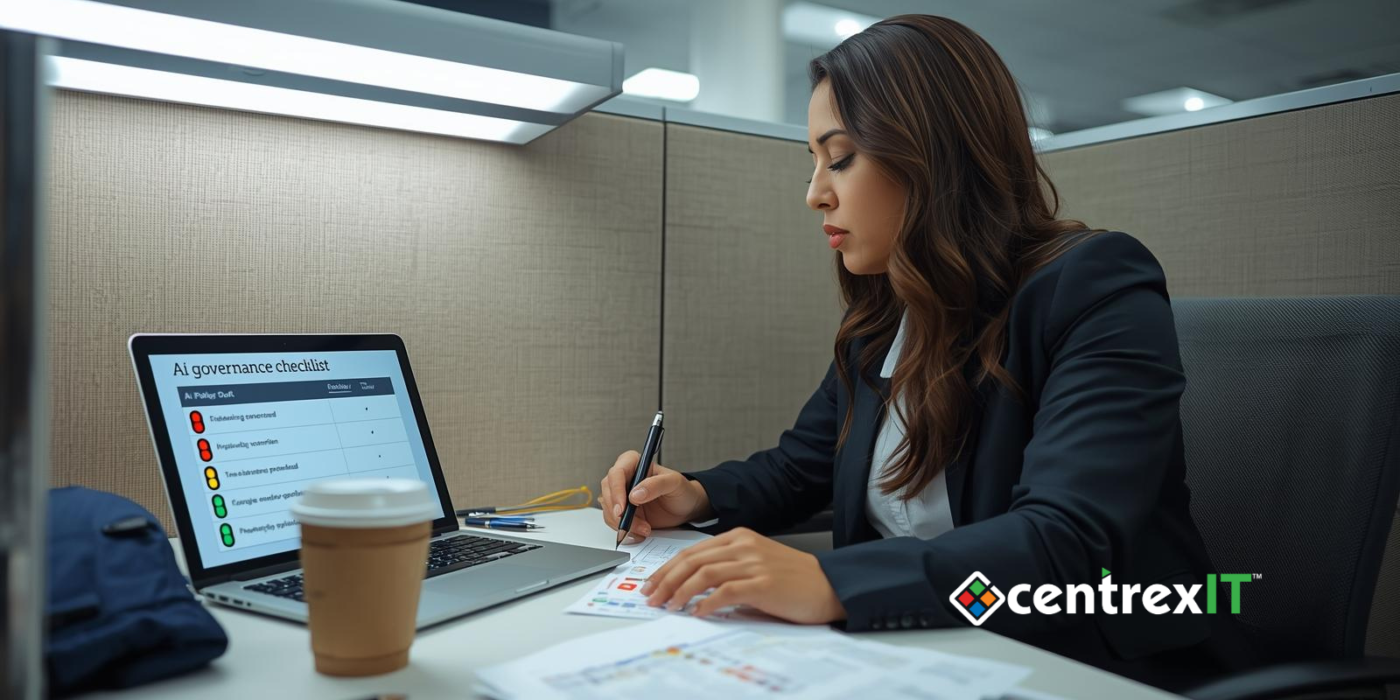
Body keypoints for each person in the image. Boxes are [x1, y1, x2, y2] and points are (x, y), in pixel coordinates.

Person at [599, 14, 1255, 693]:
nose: (815, 193)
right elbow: (799, 469)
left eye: (841, 157)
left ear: (931, 154)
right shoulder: (883, 324)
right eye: (814, 162)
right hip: (921, 659)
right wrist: (694, 493)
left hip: (1089, 665)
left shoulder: (1093, 284)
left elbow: (1065, 541)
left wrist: (835, 580)